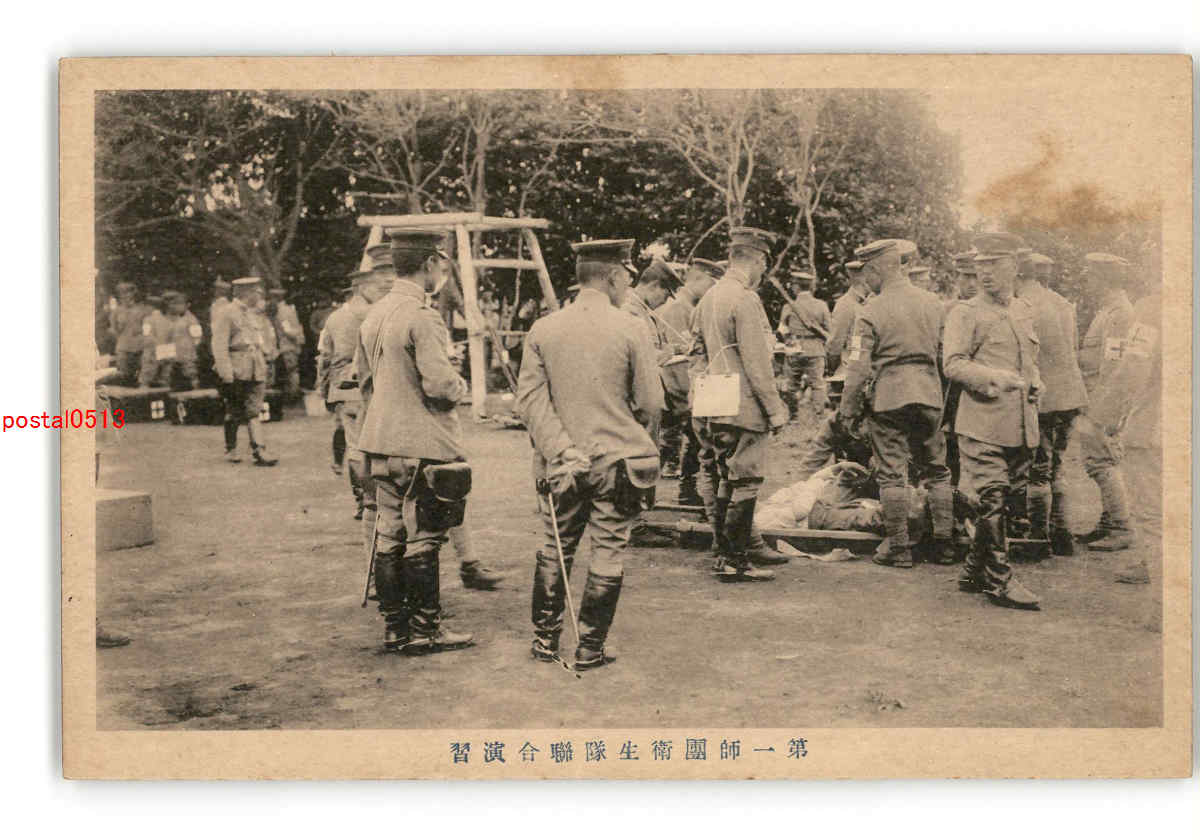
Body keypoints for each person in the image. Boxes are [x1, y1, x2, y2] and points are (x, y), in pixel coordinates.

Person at [516, 238, 663, 669]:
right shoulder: (632, 328)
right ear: (614, 276)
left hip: (561, 462)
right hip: (617, 461)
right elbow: (651, 403)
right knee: (608, 548)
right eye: (627, 277)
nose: (628, 285)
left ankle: (545, 642)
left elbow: (530, 402)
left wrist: (562, 450)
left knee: (554, 546)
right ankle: (589, 649)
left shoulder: (543, 329)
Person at [354, 229, 474, 656]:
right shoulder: (422, 317)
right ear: (428, 264)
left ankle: (396, 629)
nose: (440, 272)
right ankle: (426, 630)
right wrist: (460, 384)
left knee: (389, 533)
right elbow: (440, 386)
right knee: (425, 537)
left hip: (379, 441)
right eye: (439, 264)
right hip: (421, 443)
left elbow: (364, 381)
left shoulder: (374, 314)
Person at [836, 239, 954, 568]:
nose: (865, 280)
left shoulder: (869, 311)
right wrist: (942, 402)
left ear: (878, 269)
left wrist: (848, 410)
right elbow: (945, 357)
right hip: (929, 394)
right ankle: (945, 545)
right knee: (938, 471)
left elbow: (857, 367)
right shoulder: (933, 303)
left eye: (867, 273)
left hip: (889, 399)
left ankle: (899, 548)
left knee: (891, 475)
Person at [943, 233, 1041, 609]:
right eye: (981, 266)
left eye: (995, 266)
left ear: (1014, 268)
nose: (985, 274)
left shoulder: (1023, 309)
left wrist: (1036, 381)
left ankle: (973, 570)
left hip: (1019, 423)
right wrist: (991, 377)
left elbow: (1029, 361)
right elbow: (953, 364)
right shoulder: (965, 313)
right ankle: (1000, 581)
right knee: (992, 497)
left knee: (1004, 500)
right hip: (981, 420)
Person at [689, 226, 789, 582]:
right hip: (744, 401)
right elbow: (757, 364)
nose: (763, 272)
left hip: (714, 396)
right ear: (757, 260)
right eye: (763, 264)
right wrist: (775, 410)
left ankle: (724, 553)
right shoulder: (745, 300)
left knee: (726, 477)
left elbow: (696, 354)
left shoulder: (709, 297)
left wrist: (700, 400)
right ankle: (734, 561)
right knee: (746, 479)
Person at [1083, 287, 1161, 583]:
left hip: (1154, 424)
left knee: (1151, 507)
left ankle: (1160, 576)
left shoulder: (1151, 309)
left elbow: (1131, 368)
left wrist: (1101, 416)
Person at [1016, 252, 1088, 555]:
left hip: (1044, 396)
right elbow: (1072, 348)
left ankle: (1039, 536)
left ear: (1018, 274)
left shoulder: (1023, 305)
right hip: (1070, 394)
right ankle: (1062, 533)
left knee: (1038, 468)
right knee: (1057, 466)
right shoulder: (1061, 303)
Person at [1073, 252, 1138, 552]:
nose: (1087, 282)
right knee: (1099, 459)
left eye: (1091, 276)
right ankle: (1109, 521)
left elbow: (1114, 366)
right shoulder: (1107, 311)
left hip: (1103, 398)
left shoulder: (1120, 314)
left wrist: (1105, 408)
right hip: (1095, 395)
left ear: (1104, 279)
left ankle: (1122, 527)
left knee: (1101, 462)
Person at [321, 258, 389, 519]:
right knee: (374, 445)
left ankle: (362, 500)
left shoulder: (333, 318)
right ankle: (375, 500)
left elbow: (324, 358)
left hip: (343, 388)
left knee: (354, 447)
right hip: (368, 385)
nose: (380, 291)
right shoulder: (376, 315)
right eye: (375, 287)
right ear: (361, 288)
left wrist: (325, 391)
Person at [656, 258, 721, 505]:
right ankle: (683, 490)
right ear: (698, 279)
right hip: (677, 382)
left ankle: (687, 490)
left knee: (690, 439)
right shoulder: (678, 308)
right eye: (710, 284)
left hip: (683, 382)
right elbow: (680, 353)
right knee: (682, 439)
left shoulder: (690, 307)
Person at [211, 277, 277, 466]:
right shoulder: (226, 313)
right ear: (246, 293)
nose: (260, 296)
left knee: (254, 410)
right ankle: (231, 449)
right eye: (257, 292)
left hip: (255, 367)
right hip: (236, 368)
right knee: (234, 411)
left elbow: (259, 340)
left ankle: (259, 450)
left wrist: (267, 356)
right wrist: (225, 372)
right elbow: (219, 345)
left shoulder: (253, 314)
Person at [776, 268, 831, 419]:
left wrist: (789, 341)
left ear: (796, 287)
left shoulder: (789, 306)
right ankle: (820, 416)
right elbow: (829, 329)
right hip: (815, 349)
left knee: (791, 385)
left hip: (795, 349)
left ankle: (793, 416)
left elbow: (782, 329)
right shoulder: (821, 305)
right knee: (818, 384)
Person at [109, 280, 147, 386]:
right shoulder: (116, 312)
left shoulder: (142, 310)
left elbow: (147, 328)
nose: (125, 295)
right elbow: (114, 329)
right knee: (123, 375)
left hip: (140, 346)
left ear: (134, 294)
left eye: (128, 292)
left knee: (140, 375)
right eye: (122, 293)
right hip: (123, 347)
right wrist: (122, 339)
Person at [270, 286, 304, 401]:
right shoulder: (289, 309)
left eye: (272, 297)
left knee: (291, 371)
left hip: (287, 346)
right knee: (292, 371)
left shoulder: (282, 312)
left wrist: (295, 337)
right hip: (291, 345)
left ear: (277, 298)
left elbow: (287, 330)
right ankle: (292, 394)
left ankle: (293, 395)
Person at [163, 291, 202, 390]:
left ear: (187, 305)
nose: (176, 306)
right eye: (175, 303)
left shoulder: (191, 319)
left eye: (180, 303)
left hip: (186, 349)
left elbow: (197, 337)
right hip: (171, 348)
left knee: (190, 371)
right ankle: (166, 388)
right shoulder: (172, 318)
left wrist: (192, 348)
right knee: (166, 370)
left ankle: (195, 388)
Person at [138, 293, 172, 387]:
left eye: (145, 306)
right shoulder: (167, 320)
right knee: (165, 377)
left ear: (151, 307)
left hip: (152, 350)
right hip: (167, 349)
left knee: (146, 378)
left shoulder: (148, 319)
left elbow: (147, 336)